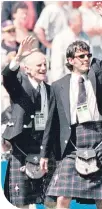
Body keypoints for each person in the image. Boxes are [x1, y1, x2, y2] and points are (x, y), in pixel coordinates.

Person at [40, 2, 102, 209]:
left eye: (88, 55)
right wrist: (44, 153)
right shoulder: (58, 86)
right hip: (72, 140)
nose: (87, 59)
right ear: (70, 60)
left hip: (97, 136)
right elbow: (51, 122)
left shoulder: (99, 72)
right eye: (81, 56)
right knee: (63, 197)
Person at [1, 36, 56, 208]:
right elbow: (7, 77)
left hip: (45, 147)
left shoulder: (50, 90)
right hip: (22, 148)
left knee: (52, 200)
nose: (43, 68)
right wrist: (18, 57)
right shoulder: (19, 85)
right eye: (39, 65)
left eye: (45, 64)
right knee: (23, 202)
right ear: (27, 69)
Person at [50, 9, 89, 83]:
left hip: (83, 80)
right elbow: (57, 65)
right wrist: (60, 84)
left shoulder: (85, 37)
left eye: (81, 20)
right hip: (67, 81)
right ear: (71, 22)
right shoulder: (60, 38)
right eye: (79, 20)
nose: (82, 23)